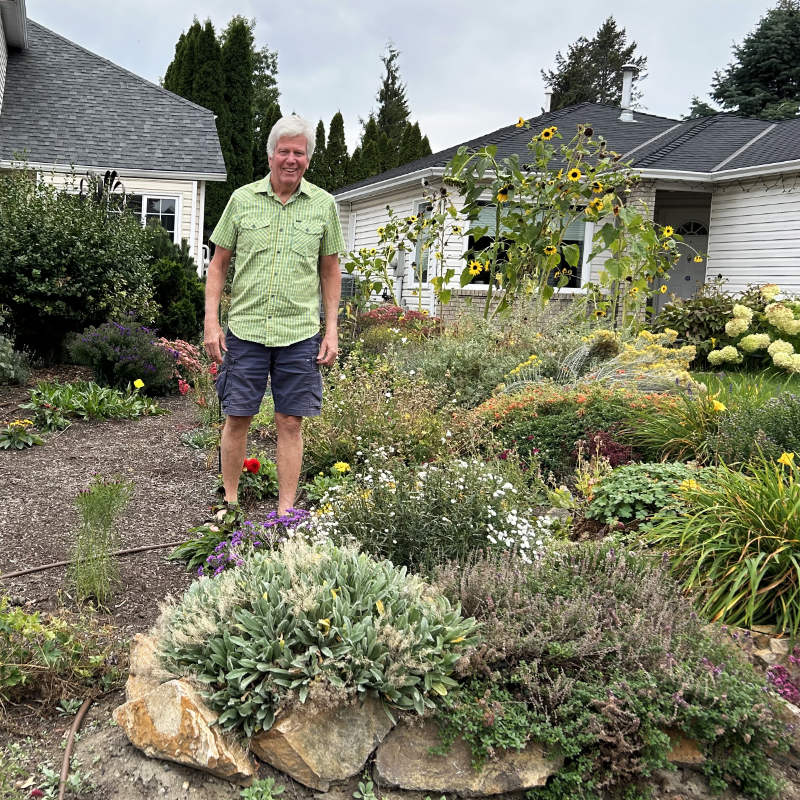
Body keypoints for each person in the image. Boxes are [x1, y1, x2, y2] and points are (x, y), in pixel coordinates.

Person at [203, 115, 345, 516]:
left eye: (298, 152)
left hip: (299, 334)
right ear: (270, 156)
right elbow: (218, 265)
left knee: (290, 423)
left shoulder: (323, 206)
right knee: (237, 418)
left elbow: (330, 269)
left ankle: (285, 513)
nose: (290, 159)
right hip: (246, 331)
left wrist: (330, 330)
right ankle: (229, 504)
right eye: (284, 151)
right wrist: (211, 323)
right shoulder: (242, 200)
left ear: (308, 160)